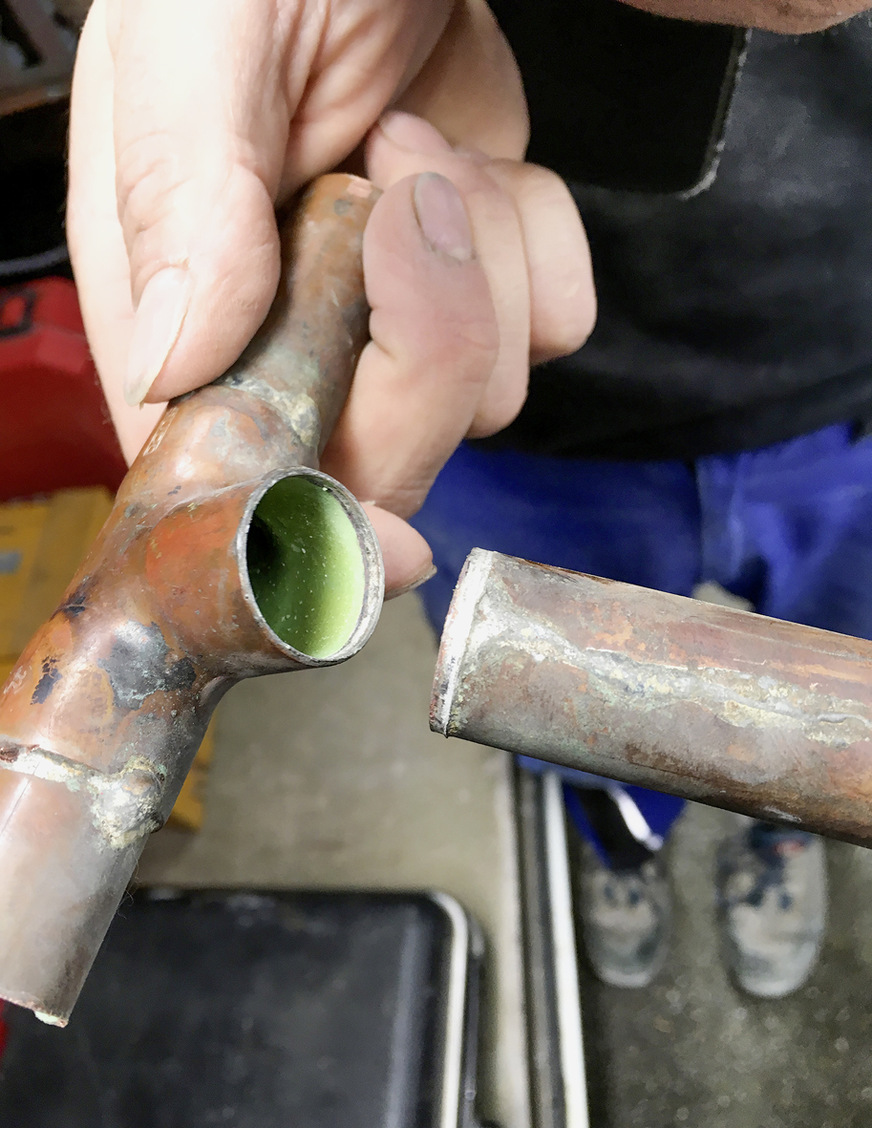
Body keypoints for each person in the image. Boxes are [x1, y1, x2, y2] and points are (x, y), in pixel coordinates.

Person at [66, 0, 872, 998]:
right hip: (510, 403)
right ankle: (621, 837)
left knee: (816, 711)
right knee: (562, 706)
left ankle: (781, 828)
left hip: (847, 378)